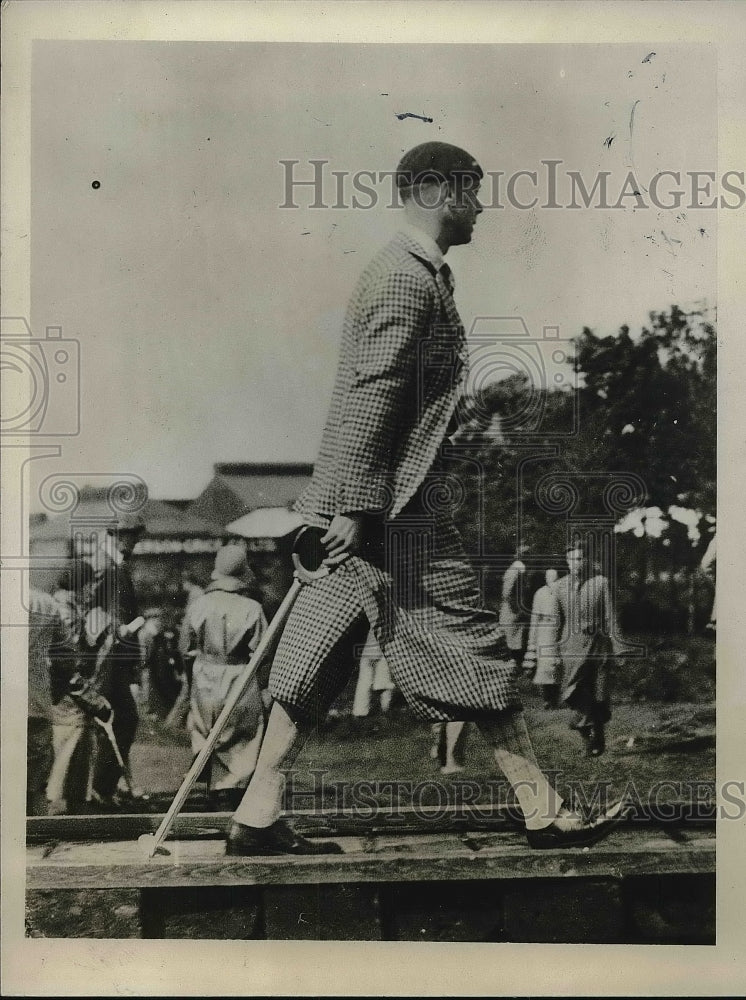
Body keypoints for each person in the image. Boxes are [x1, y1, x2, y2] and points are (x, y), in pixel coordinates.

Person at [225, 141, 626, 856]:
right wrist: (352, 509)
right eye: (475, 189)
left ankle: (255, 819)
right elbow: (370, 395)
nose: (483, 205)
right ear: (438, 190)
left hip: (365, 511)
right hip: (386, 516)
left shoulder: (416, 275)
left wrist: (343, 509)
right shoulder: (405, 281)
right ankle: (543, 813)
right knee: (474, 645)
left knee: (310, 661)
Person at [180, 545, 268, 811]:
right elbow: (263, 649)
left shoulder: (199, 605)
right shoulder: (252, 608)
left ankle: (213, 786)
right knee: (239, 732)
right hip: (239, 671)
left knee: (205, 727)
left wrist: (190, 676)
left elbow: (186, 647)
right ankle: (230, 789)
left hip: (205, 671)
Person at [89, 511, 146, 807]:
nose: (134, 541)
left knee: (115, 721)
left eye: (135, 535)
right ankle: (101, 788)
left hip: (111, 658)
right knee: (120, 720)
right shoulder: (109, 566)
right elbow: (116, 620)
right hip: (107, 659)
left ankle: (104, 788)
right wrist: (134, 625)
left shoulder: (112, 564)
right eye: (130, 535)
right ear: (117, 535)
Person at [553, 539, 623, 756]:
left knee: (598, 695)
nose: (577, 563)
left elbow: (611, 618)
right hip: (571, 648)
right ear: (567, 561)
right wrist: (552, 652)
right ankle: (589, 729)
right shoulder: (559, 587)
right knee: (572, 693)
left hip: (598, 646)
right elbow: (556, 622)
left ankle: (595, 737)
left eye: (581, 558)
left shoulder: (601, 583)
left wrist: (619, 648)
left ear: (589, 560)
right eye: (572, 559)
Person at [46, 560, 97, 814]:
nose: (93, 589)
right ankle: (62, 799)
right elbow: (68, 652)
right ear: (80, 584)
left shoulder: (67, 606)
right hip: (66, 685)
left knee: (73, 737)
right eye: (90, 583)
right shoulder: (66, 610)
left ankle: (69, 797)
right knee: (70, 737)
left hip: (64, 683)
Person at [27, 587, 76, 815]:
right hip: (34, 698)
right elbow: (66, 657)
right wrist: (54, 693)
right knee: (34, 779)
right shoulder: (44, 602)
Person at [524, 567, 563, 710]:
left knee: (556, 667)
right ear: (546, 579)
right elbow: (535, 616)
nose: (552, 580)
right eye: (549, 577)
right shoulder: (539, 594)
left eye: (555, 577)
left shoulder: (562, 593)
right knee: (544, 668)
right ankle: (547, 699)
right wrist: (532, 638)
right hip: (544, 633)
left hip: (557, 633)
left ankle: (555, 699)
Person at [350, 628, 396, 729]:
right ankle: (384, 710)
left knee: (366, 681)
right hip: (382, 646)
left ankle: (360, 712)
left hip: (372, 647)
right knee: (383, 681)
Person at [498, 543, 531, 670]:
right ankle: (514, 666)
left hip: (511, 607)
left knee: (513, 637)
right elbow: (508, 592)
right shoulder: (519, 568)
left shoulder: (515, 568)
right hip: (513, 608)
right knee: (513, 638)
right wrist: (517, 609)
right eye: (525, 553)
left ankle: (514, 665)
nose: (527, 557)